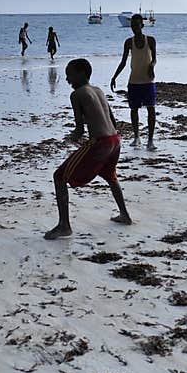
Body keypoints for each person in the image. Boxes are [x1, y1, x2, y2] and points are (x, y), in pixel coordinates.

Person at [44, 58, 131, 240]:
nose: (67, 79)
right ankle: (124, 215)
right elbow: (112, 121)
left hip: (100, 142)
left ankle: (64, 226)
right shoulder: (98, 90)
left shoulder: (76, 95)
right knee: (110, 175)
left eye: (70, 74)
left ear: (82, 73)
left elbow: (79, 129)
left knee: (59, 177)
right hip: (115, 140)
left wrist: (72, 138)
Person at [110, 13, 157, 150]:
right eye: (132, 25)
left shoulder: (151, 40)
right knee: (134, 110)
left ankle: (150, 140)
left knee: (151, 109)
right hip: (134, 81)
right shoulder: (128, 42)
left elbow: (154, 59)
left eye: (137, 25)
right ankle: (136, 137)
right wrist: (114, 77)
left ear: (142, 25)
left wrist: (152, 66)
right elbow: (123, 62)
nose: (134, 28)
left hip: (148, 81)